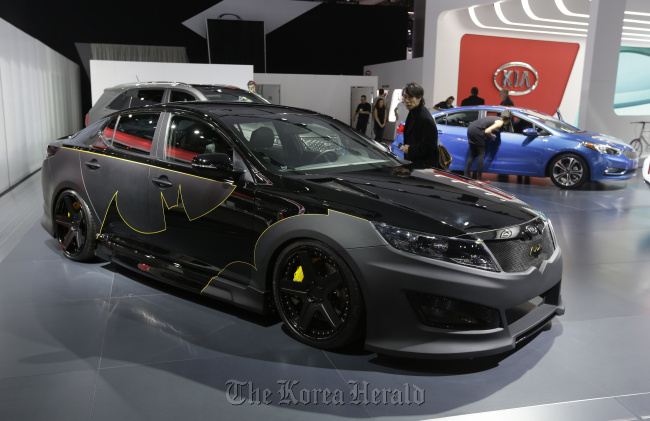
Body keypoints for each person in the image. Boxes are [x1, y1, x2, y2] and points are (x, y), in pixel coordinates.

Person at [464, 110, 512, 182]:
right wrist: (492, 136)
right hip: (477, 131)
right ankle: (479, 178)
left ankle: (465, 175)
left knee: (473, 154)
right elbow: (487, 131)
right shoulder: (500, 122)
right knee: (481, 155)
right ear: (508, 119)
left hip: (471, 128)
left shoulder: (496, 118)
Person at [398, 82, 438, 167]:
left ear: (419, 98)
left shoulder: (424, 117)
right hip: (414, 162)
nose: (407, 100)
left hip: (423, 166)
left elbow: (430, 145)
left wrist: (410, 149)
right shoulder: (413, 112)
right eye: (405, 97)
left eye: (410, 97)